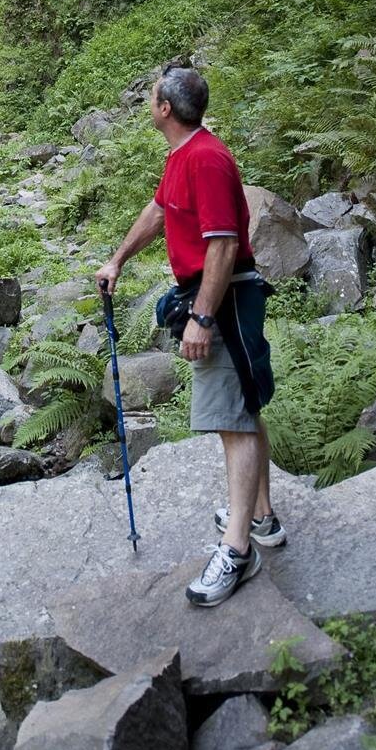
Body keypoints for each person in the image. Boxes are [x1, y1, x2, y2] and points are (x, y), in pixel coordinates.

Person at [94, 60, 284, 608]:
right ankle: (263, 515)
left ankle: (237, 550)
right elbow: (159, 213)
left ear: (165, 110)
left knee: (233, 419)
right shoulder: (183, 155)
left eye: (151, 97)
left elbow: (224, 245)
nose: (147, 103)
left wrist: (202, 317)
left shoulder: (206, 159)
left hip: (223, 300)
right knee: (243, 406)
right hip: (210, 295)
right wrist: (118, 259)